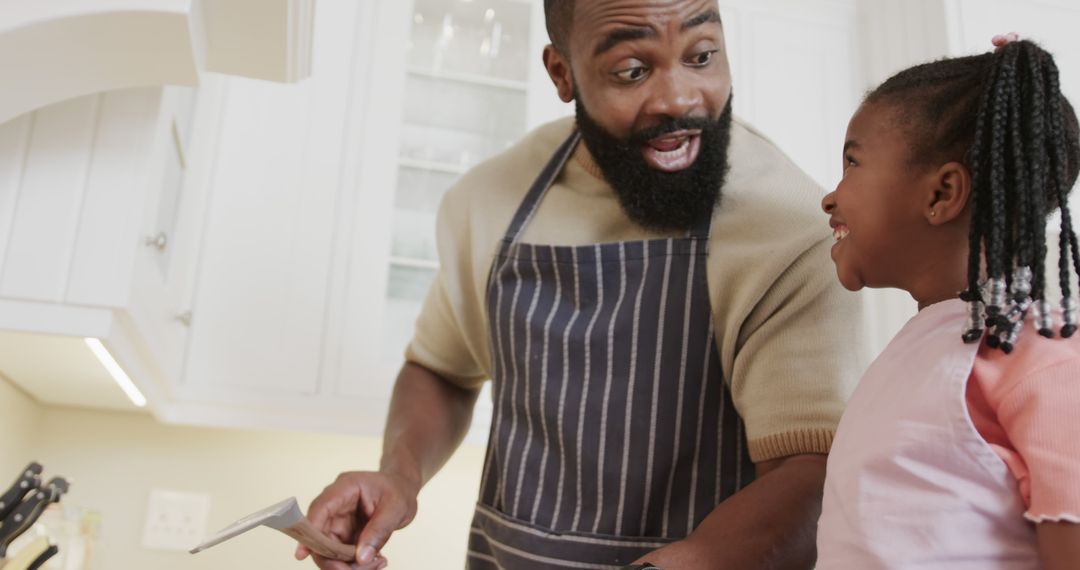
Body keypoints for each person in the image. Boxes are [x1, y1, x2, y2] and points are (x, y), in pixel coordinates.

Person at [299, 1, 866, 568]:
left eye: (701, 56)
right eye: (632, 70)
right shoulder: (489, 199)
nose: (679, 98)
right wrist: (399, 474)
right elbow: (442, 370)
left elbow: (812, 477)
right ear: (562, 73)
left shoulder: (790, 228)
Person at [817, 38, 1080, 569]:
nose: (830, 196)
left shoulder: (1042, 354)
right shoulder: (921, 348)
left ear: (941, 195)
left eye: (852, 163)